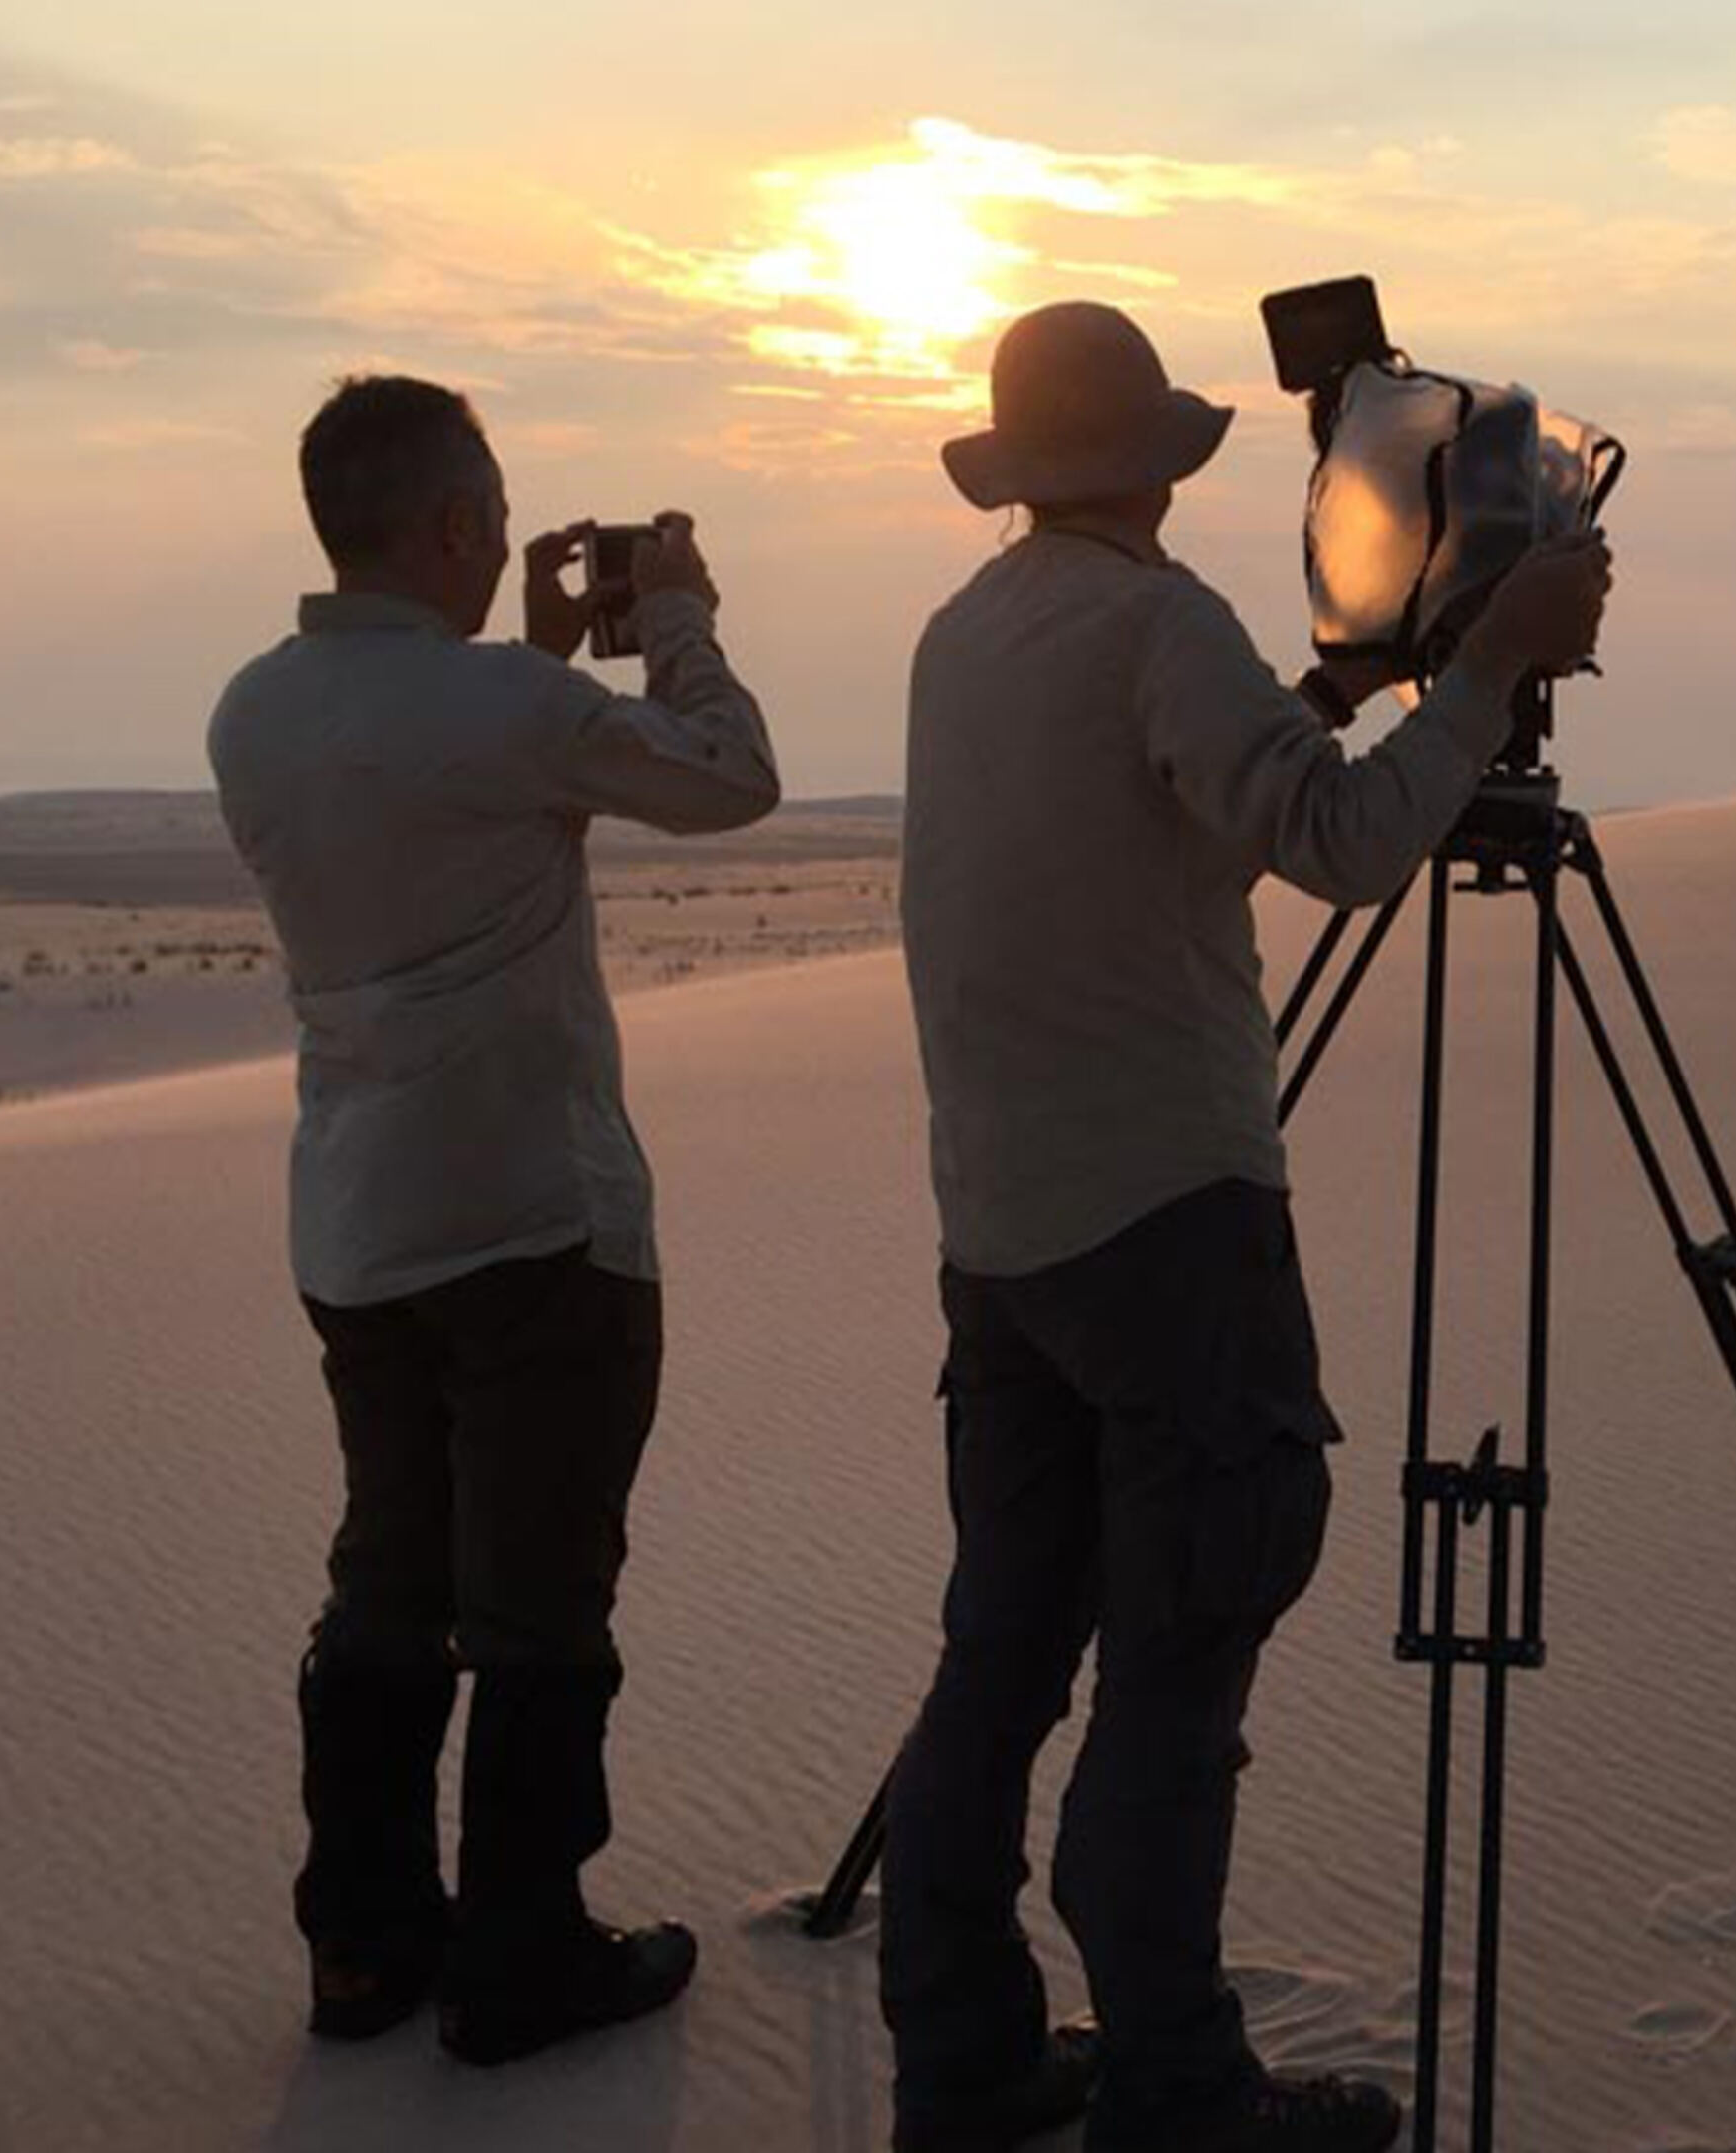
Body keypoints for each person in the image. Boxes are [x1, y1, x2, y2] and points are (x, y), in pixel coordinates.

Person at [877, 301, 1609, 2153]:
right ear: (1157, 463)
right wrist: (1485, 667)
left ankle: (961, 2061)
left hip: (1007, 1234)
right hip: (1167, 1226)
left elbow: (1177, 809)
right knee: (1183, 1648)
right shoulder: (1153, 623)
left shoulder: (966, 638)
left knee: (1006, 1648)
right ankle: (1177, 2089)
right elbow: (1355, 851)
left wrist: (1342, 697)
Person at [206, 375, 781, 2064]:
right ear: (457, 524)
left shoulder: (253, 710)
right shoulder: (502, 710)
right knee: (542, 1611)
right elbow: (734, 778)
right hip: (535, 1224)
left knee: (387, 1578)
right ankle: (524, 1956)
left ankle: (365, 1949)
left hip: (359, 1226)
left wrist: (524, 657)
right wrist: (672, 621)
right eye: (499, 512)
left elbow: (443, 738)